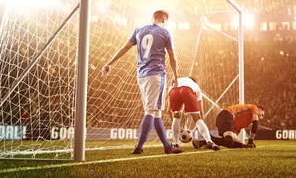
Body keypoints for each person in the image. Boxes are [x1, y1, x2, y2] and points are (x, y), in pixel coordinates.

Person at [103, 10, 182, 155]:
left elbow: (125, 47)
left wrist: (109, 63)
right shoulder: (165, 33)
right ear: (164, 20)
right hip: (156, 75)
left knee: (156, 111)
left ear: (152, 17)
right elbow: (172, 58)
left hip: (141, 75)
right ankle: (139, 147)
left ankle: (167, 146)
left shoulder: (138, 30)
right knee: (151, 111)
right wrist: (176, 76)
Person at [168, 76, 220, 151]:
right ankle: (209, 141)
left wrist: (178, 128)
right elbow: (201, 111)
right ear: (194, 81)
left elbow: (169, 111)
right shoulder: (195, 86)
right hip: (187, 90)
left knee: (176, 116)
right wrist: (201, 122)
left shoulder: (177, 81)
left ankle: (176, 143)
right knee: (197, 118)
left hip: (173, 90)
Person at [193, 104, 264, 149]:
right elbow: (255, 124)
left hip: (225, 120)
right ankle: (205, 140)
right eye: (262, 114)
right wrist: (250, 141)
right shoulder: (254, 107)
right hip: (226, 115)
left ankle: (206, 141)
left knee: (231, 143)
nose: (262, 118)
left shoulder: (246, 123)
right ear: (259, 109)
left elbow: (235, 137)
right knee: (230, 141)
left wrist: (244, 145)